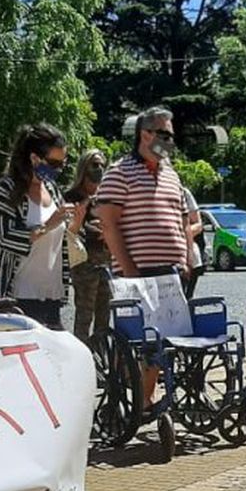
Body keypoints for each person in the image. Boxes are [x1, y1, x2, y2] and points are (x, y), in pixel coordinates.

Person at [97, 106, 191, 403]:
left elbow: (183, 218)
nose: (170, 142)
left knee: (164, 340)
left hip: (171, 272)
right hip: (137, 272)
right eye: (165, 135)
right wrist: (129, 271)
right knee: (142, 340)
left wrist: (186, 257)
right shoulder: (119, 172)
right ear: (145, 134)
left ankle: (144, 400)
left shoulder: (171, 175)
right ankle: (133, 398)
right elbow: (109, 224)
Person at [0, 123, 72, 329]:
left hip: (51, 293)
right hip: (20, 295)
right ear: (34, 158)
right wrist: (47, 225)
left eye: (63, 163)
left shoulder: (52, 189)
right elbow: (4, 238)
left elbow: (61, 235)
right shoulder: (9, 188)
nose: (59, 169)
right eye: (54, 163)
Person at [66, 149, 112, 341]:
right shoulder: (72, 196)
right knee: (84, 316)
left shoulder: (107, 196)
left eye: (102, 165)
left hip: (107, 262)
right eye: (94, 165)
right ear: (84, 168)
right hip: (84, 264)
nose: (99, 169)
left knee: (105, 315)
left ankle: (102, 360)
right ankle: (82, 358)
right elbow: (70, 231)